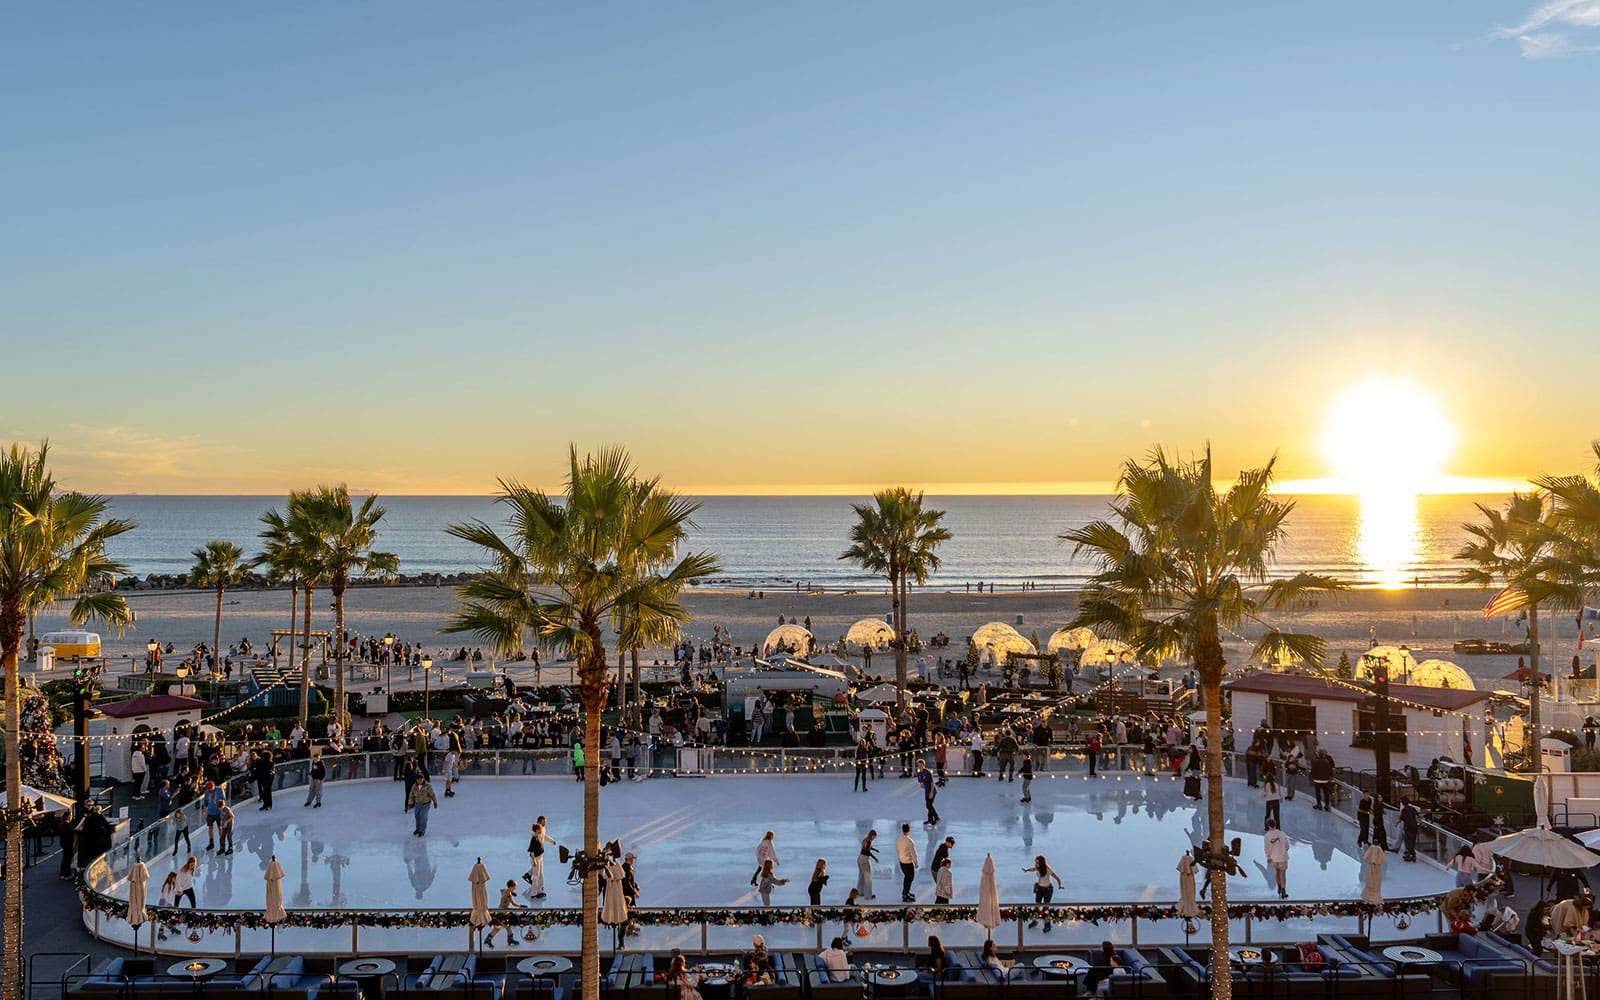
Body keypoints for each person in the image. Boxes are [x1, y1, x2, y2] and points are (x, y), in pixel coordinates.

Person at [484, 878, 530, 946]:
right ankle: (488, 939)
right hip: (502, 912)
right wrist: (521, 906)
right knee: (498, 927)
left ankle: (510, 939)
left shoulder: (505, 891)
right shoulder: (508, 894)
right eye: (514, 887)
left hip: (502, 910)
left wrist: (512, 893)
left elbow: (502, 890)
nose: (515, 889)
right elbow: (513, 903)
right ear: (511, 887)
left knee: (508, 925)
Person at [1024, 854, 1064, 932]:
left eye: (1037, 862)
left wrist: (1059, 885)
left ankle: (1047, 925)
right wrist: (1027, 870)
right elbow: (1033, 869)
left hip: (1048, 890)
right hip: (1039, 889)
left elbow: (1057, 878)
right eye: (1035, 862)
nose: (1035, 863)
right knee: (1037, 906)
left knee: (1045, 908)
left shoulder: (1048, 869)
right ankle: (1035, 921)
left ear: (1041, 862)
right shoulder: (1038, 868)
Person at [527, 816, 556, 899]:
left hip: (540, 856)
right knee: (536, 876)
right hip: (536, 858)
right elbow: (531, 851)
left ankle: (539, 891)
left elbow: (544, 837)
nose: (545, 823)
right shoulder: (534, 837)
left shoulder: (541, 830)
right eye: (543, 821)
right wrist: (534, 861)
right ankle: (534, 894)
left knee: (541, 875)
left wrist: (552, 841)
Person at [1263, 819, 1289, 899]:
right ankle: (1283, 890)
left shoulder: (1267, 836)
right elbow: (1287, 846)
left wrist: (1268, 857)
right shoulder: (1282, 834)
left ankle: (1279, 887)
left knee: (1277, 872)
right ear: (1275, 824)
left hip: (1273, 858)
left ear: (1268, 826)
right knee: (1283, 874)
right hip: (1283, 857)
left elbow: (1266, 848)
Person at [896, 823, 918, 902]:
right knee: (910, 878)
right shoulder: (910, 841)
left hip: (902, 862)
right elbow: (913, 853)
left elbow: (898, 850)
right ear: (909, 830)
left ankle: (905, 892)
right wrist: (916, 862)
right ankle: (906, 894)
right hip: (908, 863)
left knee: (907, 878)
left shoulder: (899, 840)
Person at [917, 760, 941, 825]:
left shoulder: (927, 772)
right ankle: (930, 819)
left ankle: (936, 817)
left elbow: (932, 782)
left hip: (932, 791)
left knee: (928, 805)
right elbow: (921, 783)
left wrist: (931, 792)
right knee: (929, 805)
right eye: (919, 766)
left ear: (923, 765)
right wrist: (922, 785)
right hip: (926, 791)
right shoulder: (919, 774)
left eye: (921, 765)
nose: (920, 767)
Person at [857, 830, 878, 899]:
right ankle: (868, 895)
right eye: (875, 837)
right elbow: (867, 851)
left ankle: (860, 892)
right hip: (865, 859)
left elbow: (869, 848)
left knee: (861, 876)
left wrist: (875, 850)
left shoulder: (865, 840)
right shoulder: (869, 841)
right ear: (872, 835)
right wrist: (875, 858)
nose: (875, 838)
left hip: (860, 858)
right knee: (868, 877)